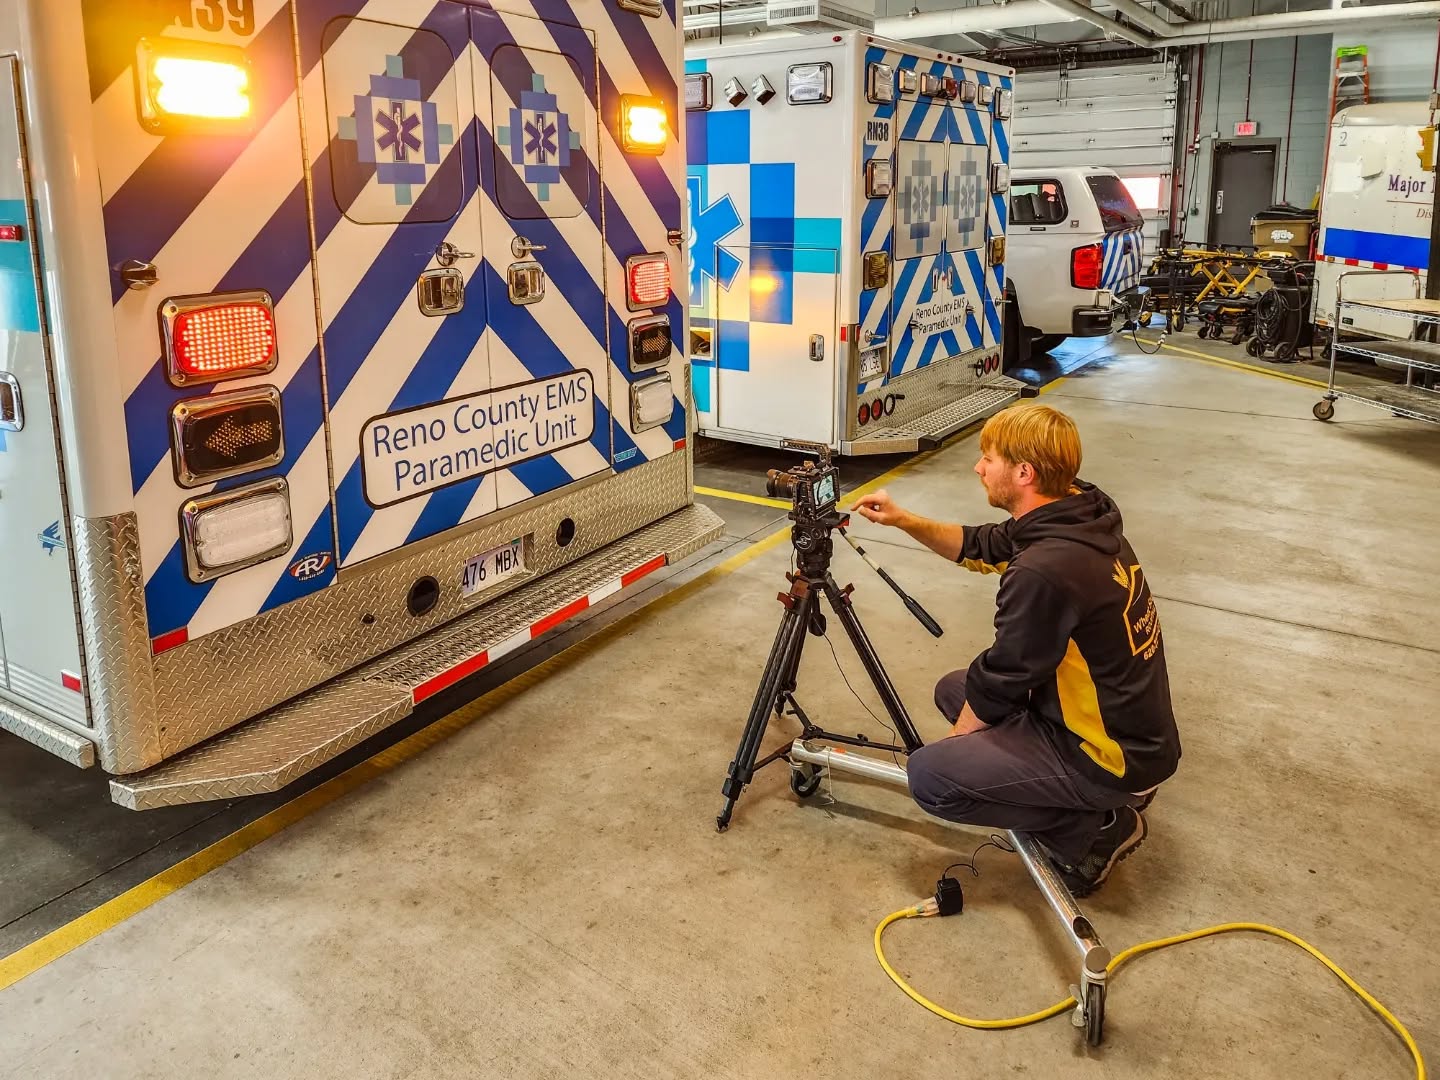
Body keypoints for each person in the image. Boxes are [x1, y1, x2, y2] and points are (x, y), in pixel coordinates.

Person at [851, 403, 1179, 896]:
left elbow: (1003, 678)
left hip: (1110, 755)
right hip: (1124, 731)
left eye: (989, 458)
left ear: (1023, 472)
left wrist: (955, 748)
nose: (978, 467)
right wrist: (903, 520)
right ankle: (1094, 796)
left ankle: (1097, 826)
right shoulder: (1076, 513)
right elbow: (980, 545)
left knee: (932, 777)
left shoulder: (1046, 570)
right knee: (953, 689)